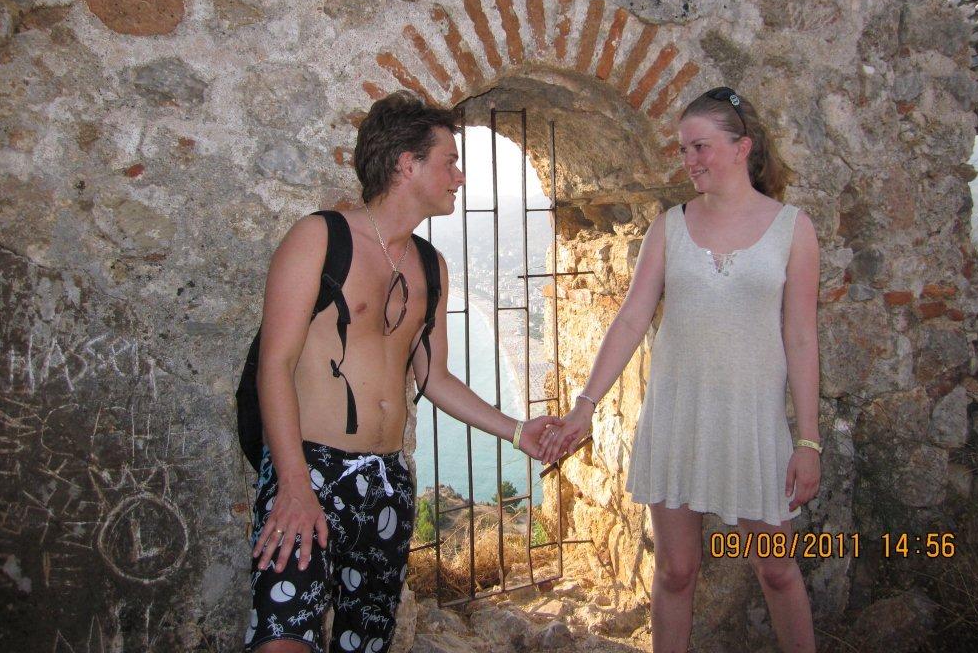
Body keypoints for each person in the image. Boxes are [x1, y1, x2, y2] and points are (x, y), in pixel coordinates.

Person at [244, 91, 563, 653]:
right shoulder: (319, 238)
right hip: (310, 468)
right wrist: (292, 484)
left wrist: (518, 432)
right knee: (283, 637)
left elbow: (435, 379)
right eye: (450, 161)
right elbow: (276, 363)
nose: (459, 177)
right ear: (406, 163)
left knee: (366, 641)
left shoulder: (431, 266)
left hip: (387, 481)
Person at [543, 87, 821, 653]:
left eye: (700, 147)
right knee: (674, 571)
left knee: (777, 570)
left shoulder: (793, 229)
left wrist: (809, 442)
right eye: (683, 149)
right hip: (677, 419)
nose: (689, 160)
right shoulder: (670, 226)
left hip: (751, 424)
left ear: (742, 147)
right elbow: (630, 319)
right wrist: (584, 405)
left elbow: (800, 337)